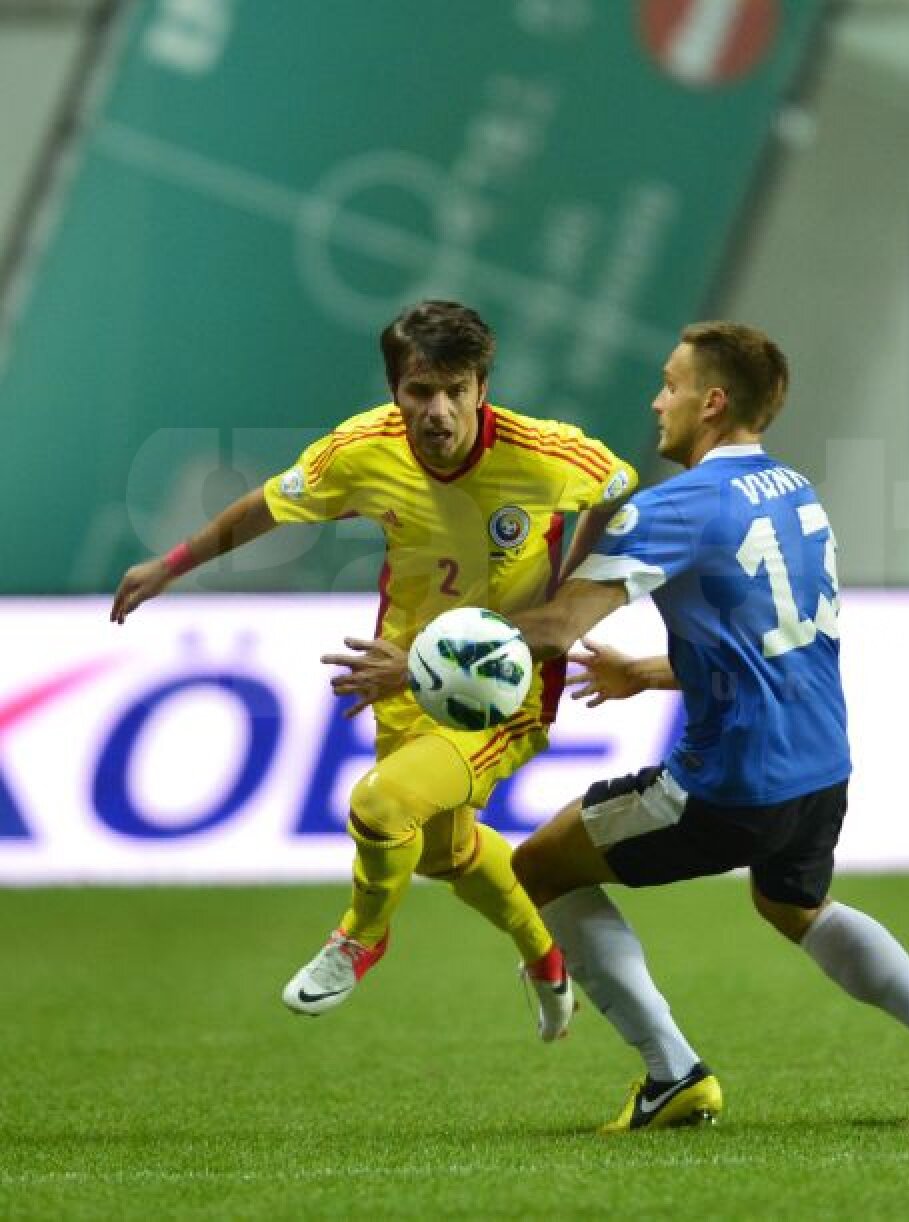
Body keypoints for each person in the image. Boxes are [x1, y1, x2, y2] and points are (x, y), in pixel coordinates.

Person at [495, 320, 909, 1130]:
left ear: (712, 403)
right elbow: (771, 646)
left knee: (540, 866)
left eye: (671, 384)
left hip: (730, 782)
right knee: (794, 907)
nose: (657, 401)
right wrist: (647, 672)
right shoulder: (795, 491)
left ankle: (673, 1074)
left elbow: (554, 629)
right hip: (822, 767)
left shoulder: (675, 506)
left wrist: (412, 658)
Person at [110, 299, 638, 1039]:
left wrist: (572, 590)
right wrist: (170, 565)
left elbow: (619, 488)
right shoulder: (361, 451)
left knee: (383, 807)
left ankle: (360, 937)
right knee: (447, 855)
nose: (439, 411)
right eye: (420, 391)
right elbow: (269, 506)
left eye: (455, 390)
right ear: (395, 391)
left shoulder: (542, 454)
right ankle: (546, 957)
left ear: (483, 388)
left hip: (502, 694)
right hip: (401, 676)